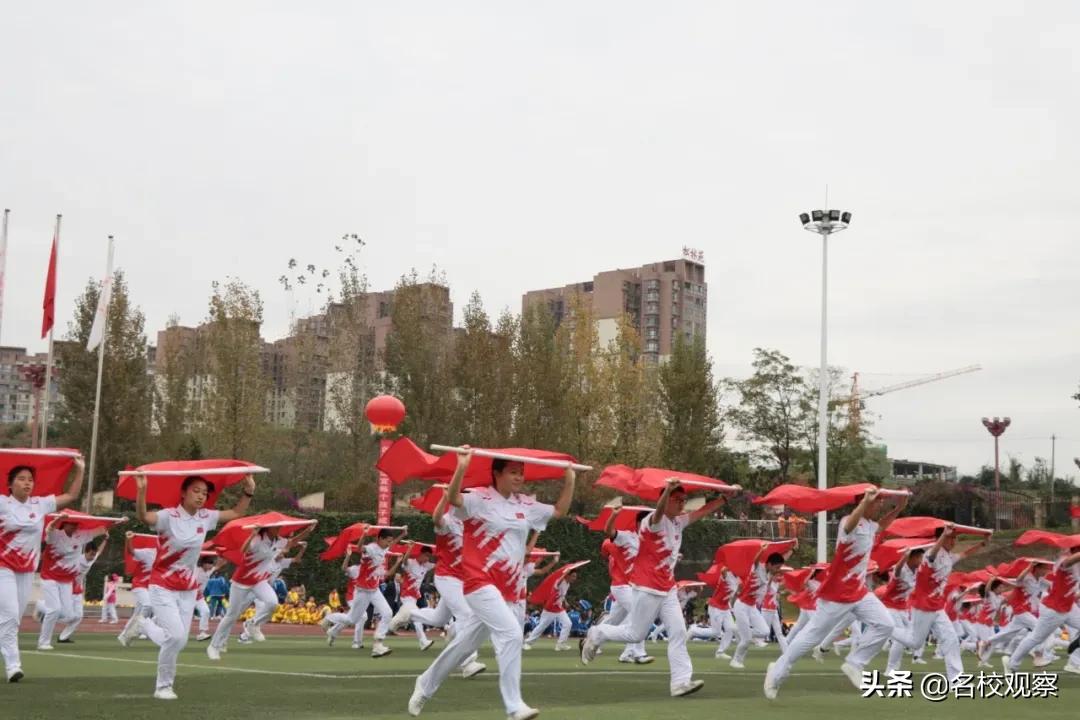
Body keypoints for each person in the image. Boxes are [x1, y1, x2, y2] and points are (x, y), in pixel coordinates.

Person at [409, 449, 576, 720]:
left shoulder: (526, 504)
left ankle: (425, 684)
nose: (519, 477)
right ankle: (514, 707)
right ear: (497, 474)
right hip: (479, 582)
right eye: (513, 472)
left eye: (521, 472)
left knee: (464, 645)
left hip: (508, 590)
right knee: (512, 634)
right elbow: (453, 498)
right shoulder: (479, 498)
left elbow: (559, 511)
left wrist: (569, 479)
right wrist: (462, 467)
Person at [582, 480, 725, 698]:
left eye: (684, 500)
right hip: (647, 587)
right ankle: (598, 632)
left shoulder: (678, 522)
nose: (682, 504)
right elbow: (657, 513)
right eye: (677, 500)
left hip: (667, 588)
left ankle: (680, 682)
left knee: (678, 632)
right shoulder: (651, 522)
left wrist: (724, 499)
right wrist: (666, 491)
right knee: (635, 633)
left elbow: (701, 512)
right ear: (666, 500)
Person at [765, 488, 907, 699]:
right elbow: (850, 526)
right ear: (865, 502)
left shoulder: (870, 525)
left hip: (859, 591)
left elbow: (882, 526)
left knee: (885, 624)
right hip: (837, 593)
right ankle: (776, 672)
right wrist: (865, 501)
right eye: (877, 501)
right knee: (811, 637)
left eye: (880, 501)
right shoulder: (847, 522)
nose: (880, 505)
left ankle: (855, 663)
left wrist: (899, 508)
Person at [126, 471, 256, 700]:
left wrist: (248, 491)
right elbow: (144, 517)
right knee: (176, 637)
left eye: (204, 493)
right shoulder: (168, 516)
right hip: (162, 585)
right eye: (196, 491)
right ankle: (163, 686)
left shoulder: (205, 517)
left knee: (180, 640)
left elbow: (236, 513)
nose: (201, 496)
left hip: (188, 589)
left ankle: (143, 625)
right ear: (183, 493)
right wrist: (142, 490)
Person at [0, 456, 85, 683]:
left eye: (30, 479)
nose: (27, 483)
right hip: (3, 567)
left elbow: (71, 496)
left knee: (14, 618)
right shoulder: (2, 503)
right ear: (10, 484)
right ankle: (13, 666)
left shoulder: (40, 504)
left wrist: (80, 469)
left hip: (26, 570)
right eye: (21, 479)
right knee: (9, 616)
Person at [398, 487, 486, 678]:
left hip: (463, 579)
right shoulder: (449, 520)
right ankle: (468, 663)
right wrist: (445, 498)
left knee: (439, 619)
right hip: (447, 577)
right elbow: (436, 519)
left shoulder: (472, 525)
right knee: (466, 614)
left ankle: (410, 614)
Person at [889, 525, 989, 685]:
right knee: (915, 643)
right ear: (940, 538)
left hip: (937, 607)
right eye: (950, 538)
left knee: (951, 639)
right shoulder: (930, 554)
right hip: (923, 606)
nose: (953, 541)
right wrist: (943, 535)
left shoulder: (949, 557)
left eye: (954, 538)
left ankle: (956, 680)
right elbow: (931, 556)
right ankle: (885, 627)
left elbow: (965, 554)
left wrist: (982, 544)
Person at [208, 521, 313, 658]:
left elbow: (292, 542)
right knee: (231, 616)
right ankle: (214, 646)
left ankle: (253, 624)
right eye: (276, 527)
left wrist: (308, 530)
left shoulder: (278, 540)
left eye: (280, 526)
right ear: (268, 528)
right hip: (241, 581)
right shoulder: (257, 539)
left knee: (272, 603)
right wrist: (252, 534)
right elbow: (244, 550)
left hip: (259, 581)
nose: (279, 529)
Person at [326, 528, 408, 656]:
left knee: (388, 613)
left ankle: (378, 644)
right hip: (363, 590)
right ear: (380, 539)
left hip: (374, 590)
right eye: (387, 541)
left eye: (390, 541)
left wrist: (403, 534)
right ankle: (329, 618)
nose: (389, 544)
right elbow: (359, 548)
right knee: (352, 620)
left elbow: (392, 544)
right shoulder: (371, 548)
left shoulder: (384, 548)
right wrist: (364, 533)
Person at [36, 513, 113, 650]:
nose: (74, 526)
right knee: (54, 610)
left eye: (76, 524)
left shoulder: (81, 536)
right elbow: (49, 530)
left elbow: (100, 530)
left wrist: (116, 522)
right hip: (50, 577)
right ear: (64, 524)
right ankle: (44, 642)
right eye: (71, 523)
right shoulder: (55, 535)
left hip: (67, 581)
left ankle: (42, 607)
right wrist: (57, 519)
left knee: (68, 614)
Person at [1003, 541, 1080, 674]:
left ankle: (1074, 663)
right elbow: (1068, 562)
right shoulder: (1064, 562)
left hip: (1069, 607)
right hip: (1054, 609)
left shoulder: (1077, 568)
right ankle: (1011, 664)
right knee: (1036, 638)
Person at [597, 507, 653, 664]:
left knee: (613, 621)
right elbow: (609, 532)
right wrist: (614, 515)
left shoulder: (649, 543)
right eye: (645, 522)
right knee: (639, 614)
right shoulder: (625, 537)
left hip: (633, 587)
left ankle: (593, 638)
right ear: (638, 524)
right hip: (622, 586)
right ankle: (638, 653)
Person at [243, 539, 310, 643]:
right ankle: (249, 626)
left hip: (265, 590)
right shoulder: (268, 559)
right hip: (256, 587)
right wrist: (292, 544)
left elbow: (296, 560)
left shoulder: (282, 562)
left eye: (283, 554)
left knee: (268, 612)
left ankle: (246, 632)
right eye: (281, 553)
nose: (282, 555)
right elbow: (283, 548)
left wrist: (302, 549)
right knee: (252, 611)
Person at [731, 548, 787, 669]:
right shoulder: (758, 568)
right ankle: (736, 660)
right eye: (777, 567)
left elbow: (782, 559)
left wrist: (791, 549)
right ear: (769, 564)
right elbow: (755, 561)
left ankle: (740, 631)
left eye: (779, 568)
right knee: (746, 639)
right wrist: (762, 549)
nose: (778, 570)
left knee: (765, 631)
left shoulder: (769, 574)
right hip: (741, 605)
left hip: (752, 607)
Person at [877, 546, 923, 674]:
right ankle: (891, 669)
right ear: (911, 558)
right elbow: (897, 570)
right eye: (919, 557)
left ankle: (906, 659)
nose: (921, 560)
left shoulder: (916, 572)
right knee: (900, 639)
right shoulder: (901, 570)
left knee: (913, 635)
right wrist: (904, 556)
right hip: (890, 607)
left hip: (903, 608)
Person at [57, 536, 109, 643]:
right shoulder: (76, 559)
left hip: (77, 590)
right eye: (91, 554)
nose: (92, 557)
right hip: (67, 589)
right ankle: (46, 613)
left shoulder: (93, 557)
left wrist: (106, 539)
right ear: (85, 552)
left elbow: (99, 551)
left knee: (79, 616)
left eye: (94, 554)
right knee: (68, 615)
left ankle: (63, 637)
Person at [389, 545, 436, 651]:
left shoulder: (426, 565)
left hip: (414, 598)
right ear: (421, 554)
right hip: (406, 596)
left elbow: (439, 564)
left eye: (429, 557)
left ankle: (388, 627)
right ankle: (423, 642)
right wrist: (410, 548)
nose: (428, 559)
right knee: (417, 617)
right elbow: (404, 560)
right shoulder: (410, 562)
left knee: (405, 619)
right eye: (426, 556)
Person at [118, 532, 157, 646]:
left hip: (150, 588)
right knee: (148, 606)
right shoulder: (148, 552)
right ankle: (137, 629)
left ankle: (124, 635)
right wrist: (129, 539)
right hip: (139, 585)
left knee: (137, 614)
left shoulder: (167, 557)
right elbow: (131, 551)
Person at [524, 569, 579, 651]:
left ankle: (560, 644)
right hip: (550, 608)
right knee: (542, 626)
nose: (574, 578)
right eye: (573, 576)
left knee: (568, 624)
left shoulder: (568, 584)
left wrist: (565, 602)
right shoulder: (560, 581)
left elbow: (562, 595)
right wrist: (565, 573)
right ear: (567, 575)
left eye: (575, 576)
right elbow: (558, 583)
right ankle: (527, 643)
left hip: (559, 608)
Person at [706, 564, 738, 660]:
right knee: (716, 632)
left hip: (725, 607)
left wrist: (731, 607)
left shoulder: (738, 580)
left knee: (731, 628)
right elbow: (723, 570)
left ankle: (720, 652)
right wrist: (733, 565)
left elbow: (732, 596)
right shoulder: (727, 575)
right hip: (715, 607)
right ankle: (694, 631)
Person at [193, 555, 225, 641]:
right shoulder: (195, 569)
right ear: (203, 563)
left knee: (206, 611)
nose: (211, 566)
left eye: (212, 563)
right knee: (180, 615)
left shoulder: (209, 571)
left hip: (199, 598)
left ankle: (202, 633)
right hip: (188, 597)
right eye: (209, 563)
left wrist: (223, 556)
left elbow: (219, 565)